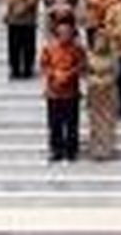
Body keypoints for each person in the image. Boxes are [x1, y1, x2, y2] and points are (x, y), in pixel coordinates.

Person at [39, 19, 85, 162]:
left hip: (71, 91)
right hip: (54, 92)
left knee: (72, 123)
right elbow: (44, 65)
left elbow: (82, 65)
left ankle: (71, 150)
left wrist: (69, 74)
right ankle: (56, 150)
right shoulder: (49, 48)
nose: (65, 35)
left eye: (68, 32)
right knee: (54, 124)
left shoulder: (77, 49)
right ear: (56, 33)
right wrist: (55, 74)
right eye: (62, 32)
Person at [3, 0, 44, 80]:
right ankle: (14, 69)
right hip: (14, 18)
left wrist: (25, 6)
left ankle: (28, 69)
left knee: (29, 46)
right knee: (13, 45)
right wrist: (10, 8)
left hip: (29, 19)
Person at [85, 30, 118, 160]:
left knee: (108, 121)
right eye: (98, 40)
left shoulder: (113, 56)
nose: (101, 43)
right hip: (94, 91)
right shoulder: (89, 56)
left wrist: (105, 81)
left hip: (109, 91)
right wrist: (95, 81)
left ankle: (107, 148)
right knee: (95, 121)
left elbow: (116, 73)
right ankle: (95, 148)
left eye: (103, 40)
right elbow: (86, 72)